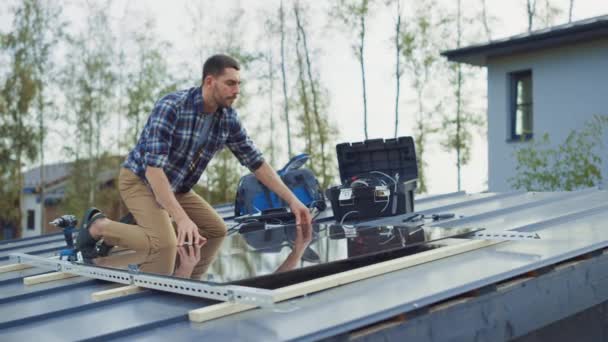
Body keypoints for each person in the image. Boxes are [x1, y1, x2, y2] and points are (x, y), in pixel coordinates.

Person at [76, 54, 312, 256]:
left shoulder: (227, 118)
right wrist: (180, 218)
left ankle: (141, 224)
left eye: (238, 84)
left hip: (177, 188)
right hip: (140, 181)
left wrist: (292, 201)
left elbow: (256, 162)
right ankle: (100, 227)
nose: (236, 91)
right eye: (230, 83)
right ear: (210, 81)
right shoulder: (172, 106)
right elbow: (153, 170)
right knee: (165, 244)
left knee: (216, 232)